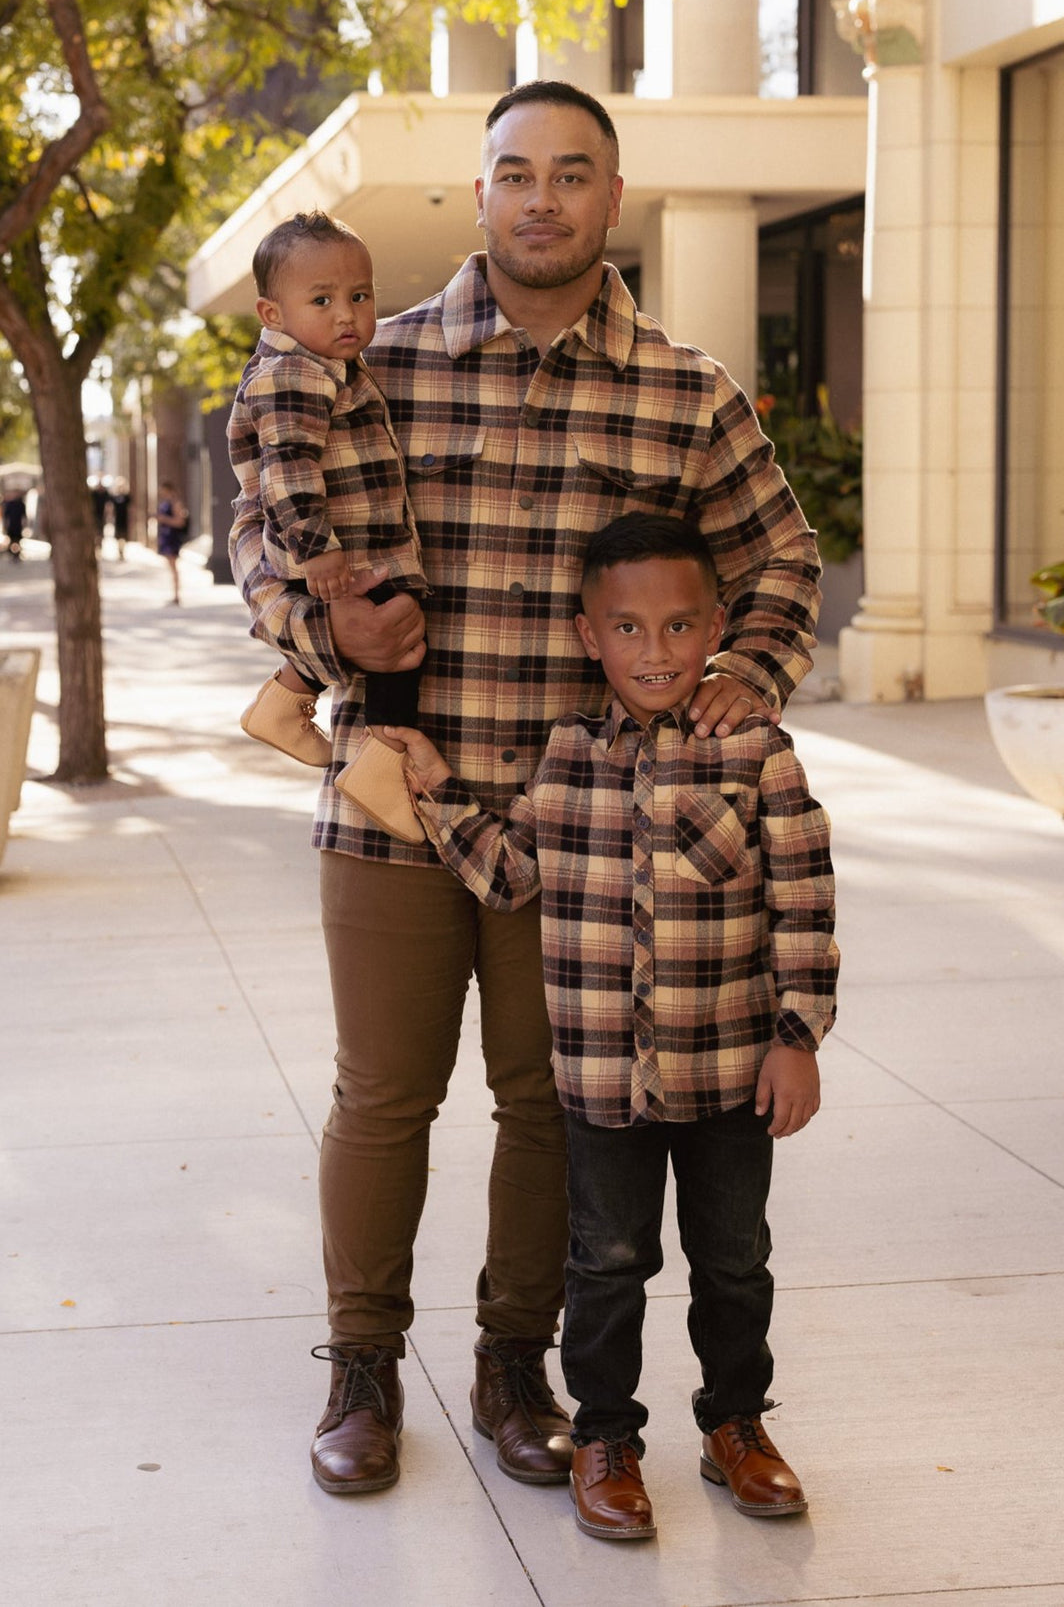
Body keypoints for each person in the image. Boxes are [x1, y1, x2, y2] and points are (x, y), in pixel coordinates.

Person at [228, 80, 823, 1500]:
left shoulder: (687, 388)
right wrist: (327, 634)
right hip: (396, 799)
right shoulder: (380, 360)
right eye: (514, 172)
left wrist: (741, 675)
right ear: (481, 191)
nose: (541, 197)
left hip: (584, 839)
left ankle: (514, 1361)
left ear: (613, 199)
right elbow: (260, 526)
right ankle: (361, 1365)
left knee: (549, 1104)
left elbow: (781, 561)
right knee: (382, 1092)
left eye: (572, 173)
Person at [390, 513, 838, 1540]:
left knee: (734, 1260)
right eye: (628, 628)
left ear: (717, 625)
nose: (657, 651)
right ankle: (605, 1435)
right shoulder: (569, 756)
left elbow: (805, 900)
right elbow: (513, 871)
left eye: (681, 627)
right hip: (602, 1082)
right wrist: (432, 791)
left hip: (731, 1073)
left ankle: (737, 1423)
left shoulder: (757, 751)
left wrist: (799, 1035)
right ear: (589, 633)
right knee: (607, 1263)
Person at [230, 212, 430, 841]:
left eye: (360, 296)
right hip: (330, 548)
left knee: (394, 629)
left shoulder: (330, 367)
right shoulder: (294, 375)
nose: (347, 314)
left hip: (351, 545)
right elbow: (287, 468)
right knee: (403, 635)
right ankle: (383, 762)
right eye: (322, 300)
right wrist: (317, 552)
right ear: (273, 314)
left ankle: (287, 700)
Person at [155, 480, 189, 604]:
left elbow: (180, 522)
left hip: (172, 538)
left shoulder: (175, 503)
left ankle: (176, 595)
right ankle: (174, 593)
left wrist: (164, 519)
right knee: (170, 567)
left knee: (174, 568)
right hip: (165, 537)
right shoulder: (165, 502)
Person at [1, 488, 27, 556]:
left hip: (18, 525)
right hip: (11, 525)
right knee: (12, 539)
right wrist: (5, 526)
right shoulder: (9, 504)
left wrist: (24, 525)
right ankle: (11, 552)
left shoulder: (21, 504)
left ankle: (16, 553)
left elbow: (24, 516)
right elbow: (6, 517)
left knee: (17, 540)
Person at [110, 477, 131, 560]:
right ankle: (119, 551)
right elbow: (111, 508)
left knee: (124, 536)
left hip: (124, 519)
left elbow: (131, 509)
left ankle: (122, 551)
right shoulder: (114, 497)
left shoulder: (127, 497)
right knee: (118, 536)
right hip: (117, 519)